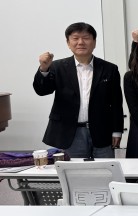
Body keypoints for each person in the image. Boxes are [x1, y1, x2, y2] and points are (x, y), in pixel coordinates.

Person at [33, 22, 124, 158]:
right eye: (75, 38)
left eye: (86, 38)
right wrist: (44, 69)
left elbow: (116, 102)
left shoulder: (109, 69)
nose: (80, 42)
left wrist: (117, 131)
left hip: (102, 131)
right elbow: (42, 90)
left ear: (94, 42)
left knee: (104, 169)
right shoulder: (57, 67)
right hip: (70, 133)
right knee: (74, 170)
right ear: (68, 43)